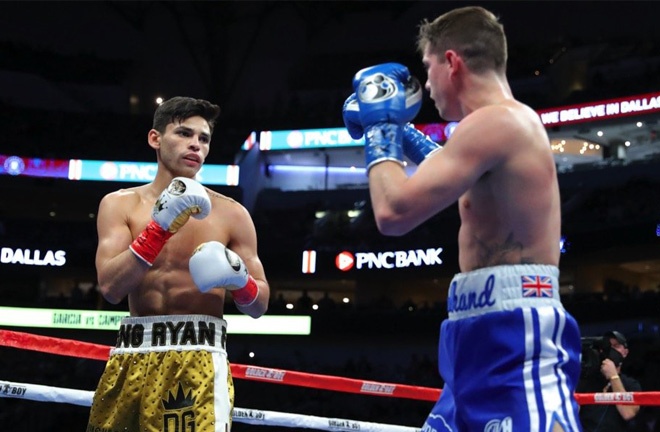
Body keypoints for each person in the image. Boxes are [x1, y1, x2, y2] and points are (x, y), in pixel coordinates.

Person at [343, 6, 582, 432]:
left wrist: (382, 125)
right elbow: (453, 173)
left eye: (427, 68)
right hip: (474, 333)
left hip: (514, 335)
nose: (427, 85)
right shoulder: (489, 128)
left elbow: (393, 212)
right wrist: (403, 131)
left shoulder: (499, 122)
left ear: (450, 62)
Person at [86, 96, 270, 432]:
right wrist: (159, 228)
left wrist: (240, 282)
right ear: (155, 139)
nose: (195, 145)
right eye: (184, 134)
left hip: (198, 357)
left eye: (204, 138)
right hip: (130, 355)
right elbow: (111, 288)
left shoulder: (231, 213)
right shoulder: (119, 205)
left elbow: (260, 305)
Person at [578, 331, 642, 432]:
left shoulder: (631, 384)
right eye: (608, 346)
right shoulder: (587, 381)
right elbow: (570, 413)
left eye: (616, 346)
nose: (611, 350)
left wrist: (613, 376)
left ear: (625, 352)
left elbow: (628, 413)